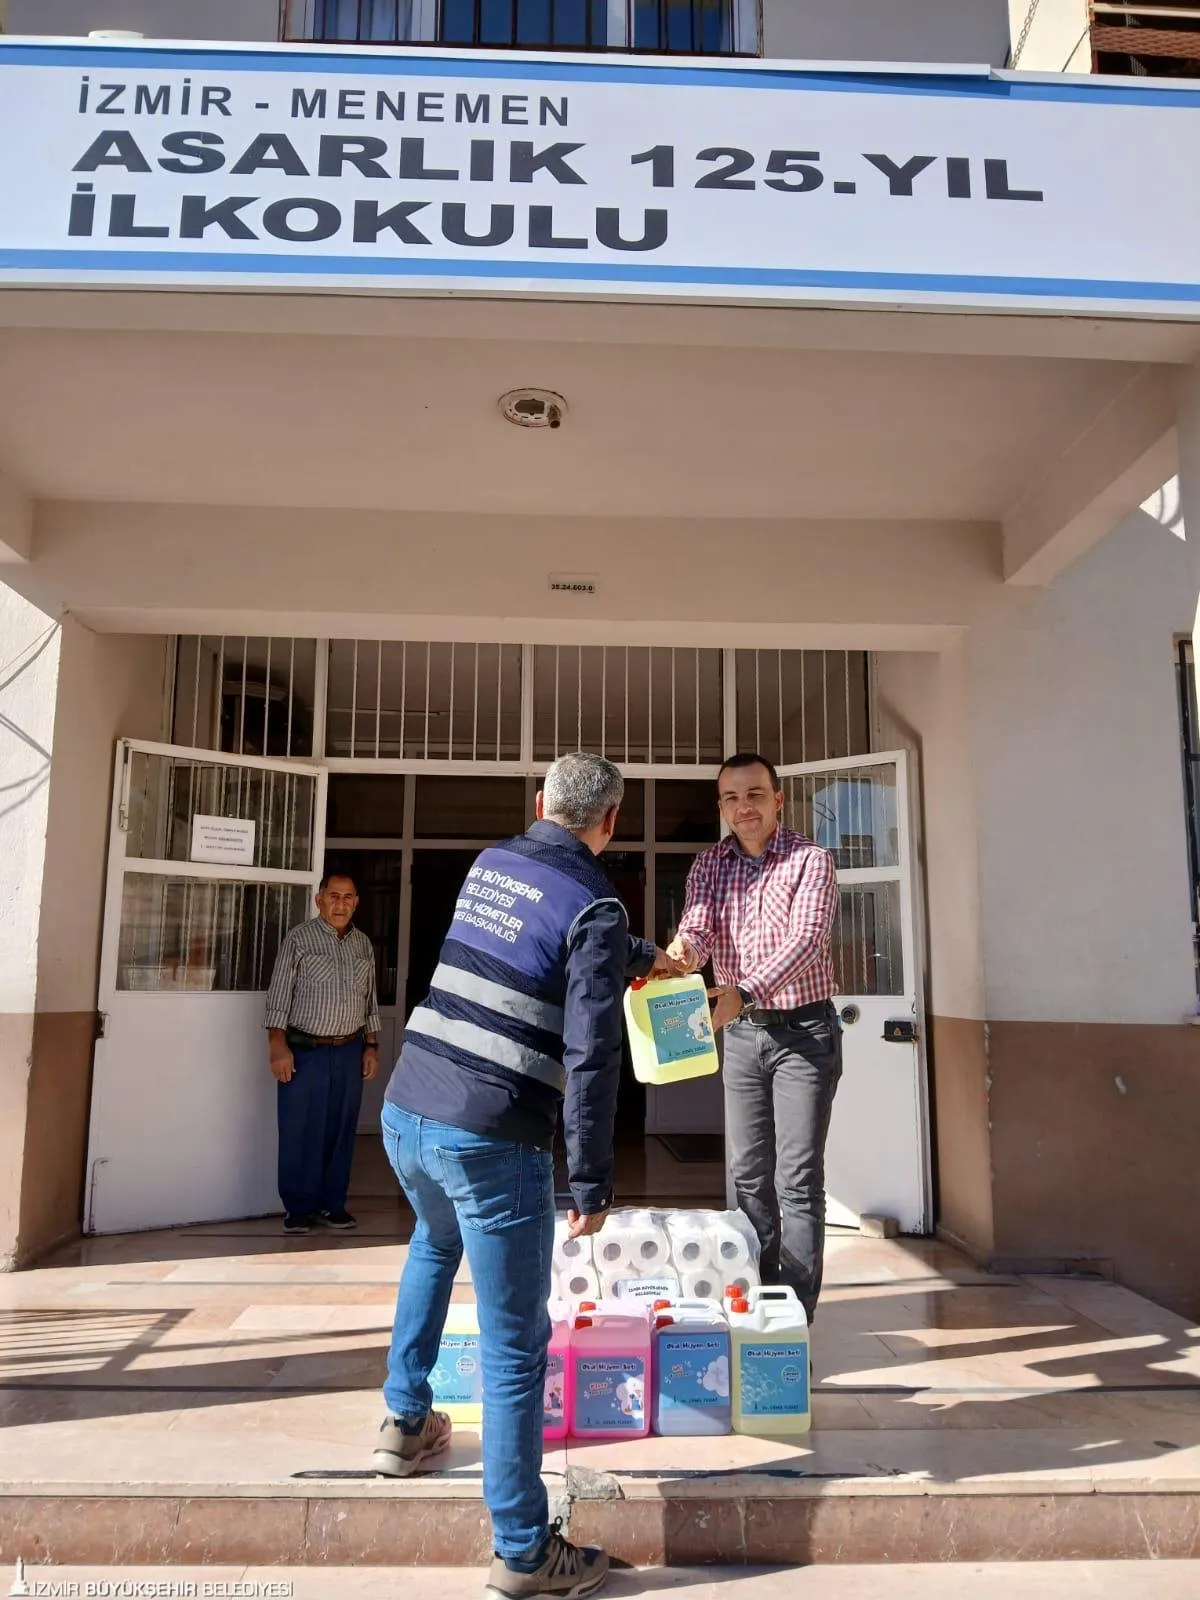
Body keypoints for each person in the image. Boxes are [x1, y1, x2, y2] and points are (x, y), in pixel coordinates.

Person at [373, 753, 680, 1600]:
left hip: (408, 1110)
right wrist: (591, 1183)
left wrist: (644, 954)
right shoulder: (598, 905)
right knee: (515, 1350)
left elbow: (537, 940)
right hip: (489, 1133)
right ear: (610, 822)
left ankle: (404, 1424)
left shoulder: (492, 863)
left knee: (433, 1247)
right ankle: (523, 1550)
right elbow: (591, 1055)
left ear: (540, 804)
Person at [668, 752, 841, 1326]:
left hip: (804, 1034)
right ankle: (756, 1298)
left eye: (755, 794)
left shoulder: (811, 860)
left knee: (797, 1178)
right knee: (746, 1174)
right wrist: (681, 957)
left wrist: (744, 989)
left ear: (778, 799)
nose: (744, 807)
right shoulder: (709, 865)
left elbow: (808, 940)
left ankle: (793, 1316)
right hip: (742, 1036)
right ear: (721, 806)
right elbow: (699, 927)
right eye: (732, 798)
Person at [264, 872, 381, 1235]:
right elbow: (279, 996)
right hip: (305, 1051)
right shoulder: (299, 938)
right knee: (300, 1129)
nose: (341, 904)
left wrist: (371, 1046)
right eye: (334, 896)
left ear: (356, 902)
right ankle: (298, 1207)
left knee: (340, 1130)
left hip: (348, 1050)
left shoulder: (363, 945)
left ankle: (333, 1205)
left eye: (348, 897)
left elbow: (370, 1001)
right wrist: (276, 1046)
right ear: (320, 900)